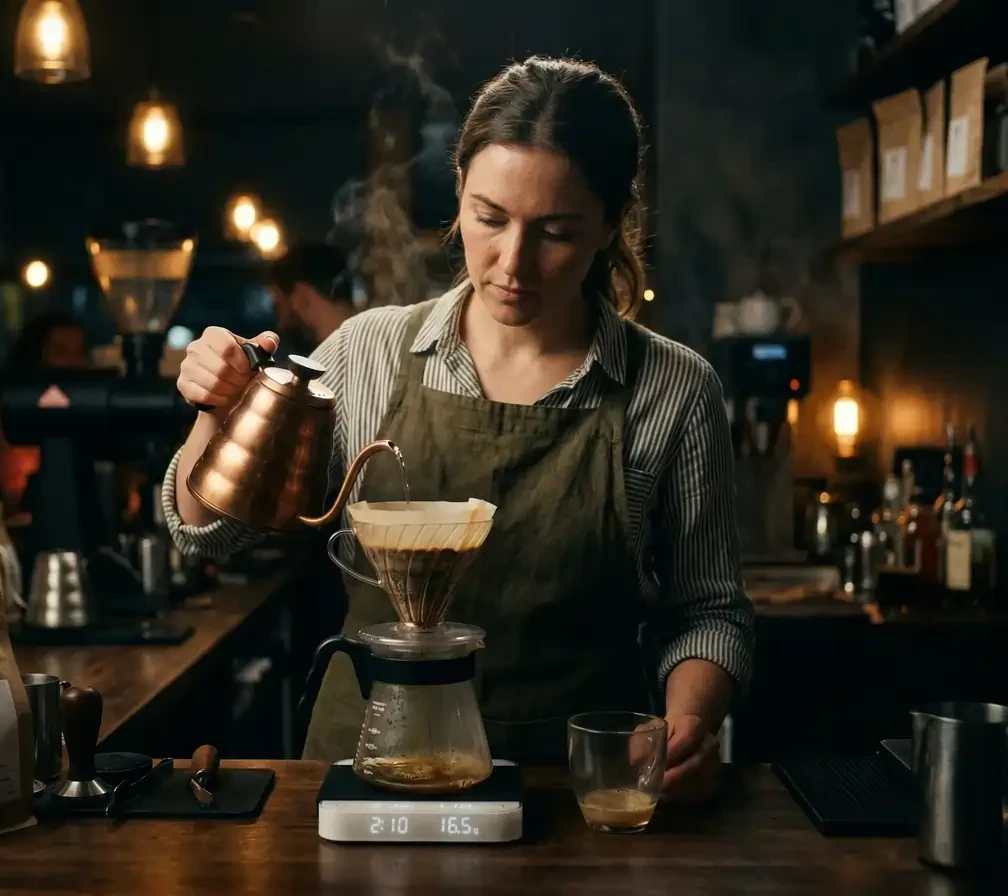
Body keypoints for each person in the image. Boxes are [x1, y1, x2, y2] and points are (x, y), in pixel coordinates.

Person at [165, 57, 753, 803]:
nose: (513, 263)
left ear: (610, 223)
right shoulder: (365, 353)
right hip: (365, 778)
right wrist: (214, 415)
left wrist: (687, 724)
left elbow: (707, 611)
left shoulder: (673, 389)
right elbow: (207, 535)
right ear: (459, 192)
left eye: (557, 232)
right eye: (489, 218)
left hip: (572, 795)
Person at [0, 311, 87, 515]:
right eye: (60, 351)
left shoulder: (88, 412)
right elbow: (10, 489)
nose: (73, 362)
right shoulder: (11, 410)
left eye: (79, 352)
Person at [267, 243, 354, 356]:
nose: (280, 324)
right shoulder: (371, 343)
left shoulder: (326, 362)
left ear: (301, 296)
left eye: (278, 305)